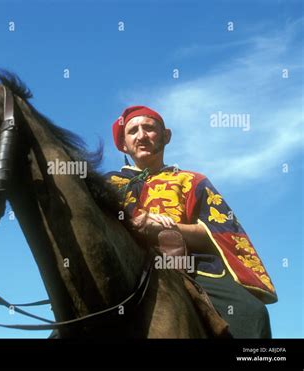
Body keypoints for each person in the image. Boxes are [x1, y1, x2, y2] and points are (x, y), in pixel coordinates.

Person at [105, 105, 277, 338]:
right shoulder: (107, 184)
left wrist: (168, 228)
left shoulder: (193, 181)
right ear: (124, 144)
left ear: (166, 136)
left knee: (252, 312)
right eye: (133, 131)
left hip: (190, 267)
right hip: (124, 265)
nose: (142, 135)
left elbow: (220, 233)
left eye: (149, 128)